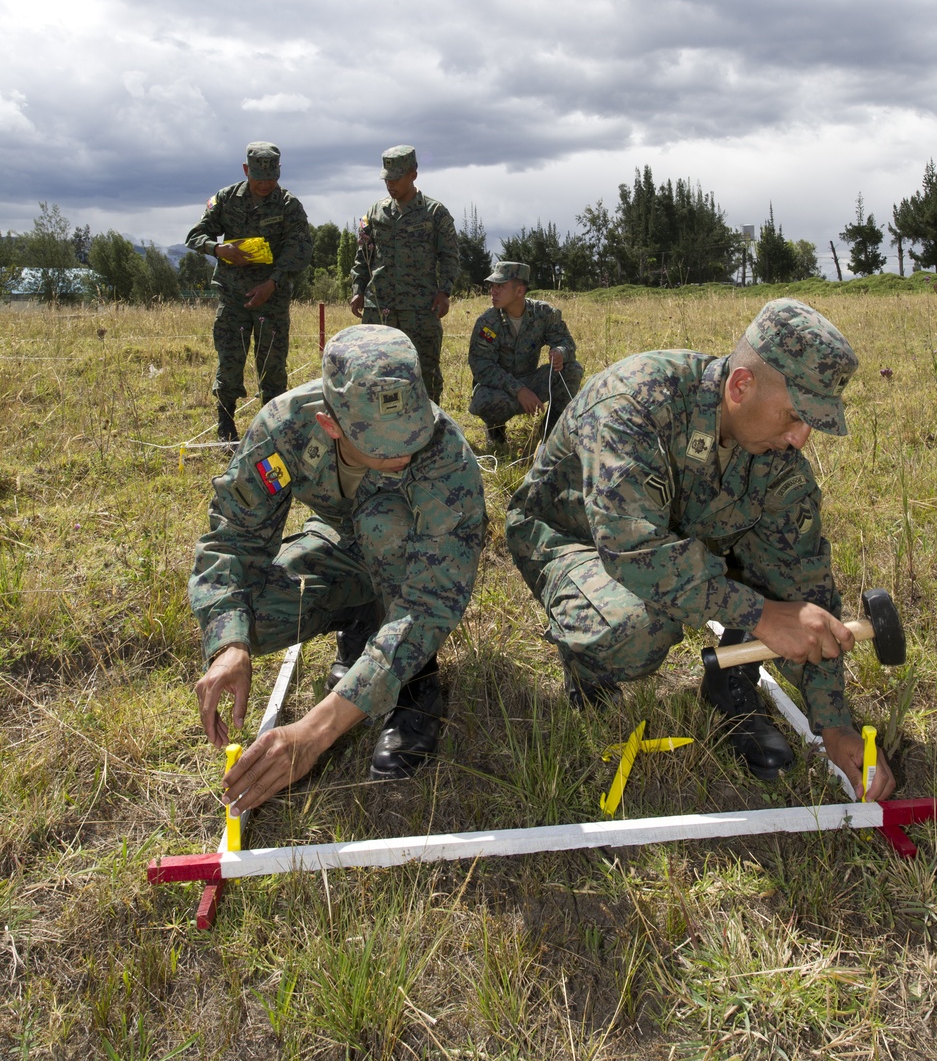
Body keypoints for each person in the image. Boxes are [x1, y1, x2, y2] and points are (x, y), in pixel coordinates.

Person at [505, 298, 896, 800]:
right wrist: (761, 614)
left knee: (772, 576)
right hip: (571, 536)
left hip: (675, 542)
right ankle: (587, 665)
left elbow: (804, 585)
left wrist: (833, 723)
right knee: (637, 628)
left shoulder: (778, 461)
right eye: (796, 416)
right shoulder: (636, 401)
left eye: (811, 426)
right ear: (740, 386)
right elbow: (630, 549)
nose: (801, 439)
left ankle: (731, 677)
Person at [189, 325, 484, 806]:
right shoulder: (285, 427)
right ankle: (362, 617)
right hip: (344, 554)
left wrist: (314, 731)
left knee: (383, 524)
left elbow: (431, 601)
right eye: (384, 445)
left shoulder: (445, 453)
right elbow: (234, 537)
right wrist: (229, 643)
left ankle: (414, 685)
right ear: (331, 425)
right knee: (251, 615)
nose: (406, 452)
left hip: (409, 570)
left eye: (412, 433)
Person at [185, 142, 312, 443]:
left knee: (272, 367)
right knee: (229, 361)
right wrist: (219, 249)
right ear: (246, 171)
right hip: (233, 298)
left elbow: (301, 250)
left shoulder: (288, 205)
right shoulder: (226, 200)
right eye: (259, 179)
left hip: (272, 299)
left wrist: (273, 283)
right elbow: (195, 235)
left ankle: (272, 431)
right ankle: (225, 426)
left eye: (272, 179)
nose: (266, 185)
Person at [349, 146, 459, 404]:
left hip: (420, 310)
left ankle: (430, 426)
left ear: (413, 175)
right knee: (376, 372)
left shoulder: (435, 213)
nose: (390, 184)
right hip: (380, 309)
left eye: (396, 178)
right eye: (386, 179)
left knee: (425, 371)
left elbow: (450, 256)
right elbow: (362, 257)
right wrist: (358, 290)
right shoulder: (375, 213)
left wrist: (445, 291)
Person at [468, 261, 584, 450]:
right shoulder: (487, 322)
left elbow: (566, 342)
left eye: (500, 286)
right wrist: (519, 391)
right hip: (499, 389)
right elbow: (481, 367)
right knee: (484, 401)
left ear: (519, 291)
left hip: (531, 380)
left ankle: (549, 431)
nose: (493, 291)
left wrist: (560, 353)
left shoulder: (543, 313)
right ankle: (495, 431)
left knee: (572, 370)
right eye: (493, 286)